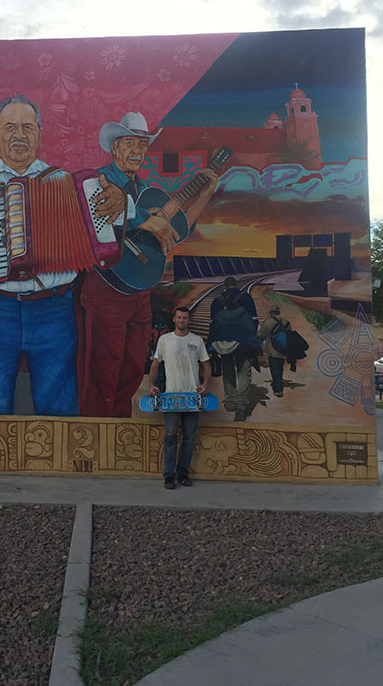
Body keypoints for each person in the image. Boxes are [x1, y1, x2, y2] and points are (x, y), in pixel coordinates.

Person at [0, 95, 123, 416]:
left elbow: (110, 219)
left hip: (55, 309)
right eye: (10, 127)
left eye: (27, 127)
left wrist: (119, 203)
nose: (19, 135)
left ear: (39, 132)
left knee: (59, 406)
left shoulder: (63, 182)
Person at [79, 111, 218, 417]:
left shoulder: (145, 191)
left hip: (140, 291)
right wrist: (145, 220)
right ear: (114, 147)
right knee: (104, 366)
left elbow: (176, 229)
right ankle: (98, 433)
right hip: (108, 287)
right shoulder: (97, 181)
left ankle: (118, 427)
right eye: (130, 143)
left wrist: (204, 195)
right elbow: (100, 214)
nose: (137, 151)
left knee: (130, 369)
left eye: (143, 145)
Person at [147, 306, 210, 489]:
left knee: (189, 437)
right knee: (171, 434)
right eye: (179, 317)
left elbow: (206, 364)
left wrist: (205, 385)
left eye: (185, 318)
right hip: (171, 396)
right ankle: (169, 475)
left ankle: (183, 473)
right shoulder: (165, 340)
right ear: (174, 319)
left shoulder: (196, 341)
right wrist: (151, 385)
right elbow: (155, 363)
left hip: (192, 396)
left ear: (189, 321)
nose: (182, 320)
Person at [208, 276, 260, 422]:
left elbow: (212, 325)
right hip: (243, 341)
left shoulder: (217, 300)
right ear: (235, 285)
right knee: (244, 372)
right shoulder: (246, 298)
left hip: (224, 343)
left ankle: (230, 402)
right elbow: (255, 321)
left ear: (225, 286)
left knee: (228, 370)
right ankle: (241, 406)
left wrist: (212, 345)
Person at [258, 305, 291, 397]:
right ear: (279, 312)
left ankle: (278, 390)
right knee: (279, 369)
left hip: (272, 351)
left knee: (275, 370)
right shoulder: (286, 322)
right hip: (283, 350)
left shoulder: (268, 322)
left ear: (271, 313)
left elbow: (260, 335)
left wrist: (258, 345)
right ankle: (278, 384)